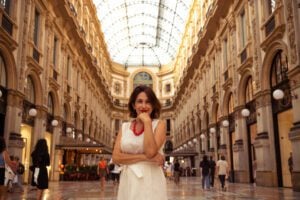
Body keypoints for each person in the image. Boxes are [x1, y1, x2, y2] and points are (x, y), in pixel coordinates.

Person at [112, 85, 167, 200]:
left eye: (148, 102)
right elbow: (116, 157)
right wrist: (145, 157)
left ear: (153, 105)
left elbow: (151, 151)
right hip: (128, 179)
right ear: (133, 105)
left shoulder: (159, 125)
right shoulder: (125, 127)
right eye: (139, 101)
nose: (143, 106)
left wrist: (147, 122)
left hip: (151, 179)